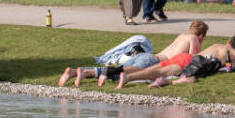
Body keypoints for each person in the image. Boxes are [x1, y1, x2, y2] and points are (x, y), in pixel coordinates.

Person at [58, 20, 208, 87]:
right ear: (201, 35)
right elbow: (193, 59)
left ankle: (78, 72)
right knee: (121, 75)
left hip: (146, 56)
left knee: (117, 69)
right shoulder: (194, 38)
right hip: (152, 62)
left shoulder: (182, 35)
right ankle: (82, 73)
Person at [149, 36, 235, 87]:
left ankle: (156, 78)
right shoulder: (232, 52)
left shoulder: (217, 45)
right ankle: (165, 81)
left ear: (229, 40)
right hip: (198, 62)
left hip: (188, 57)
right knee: (188, 78)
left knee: (153, 70)